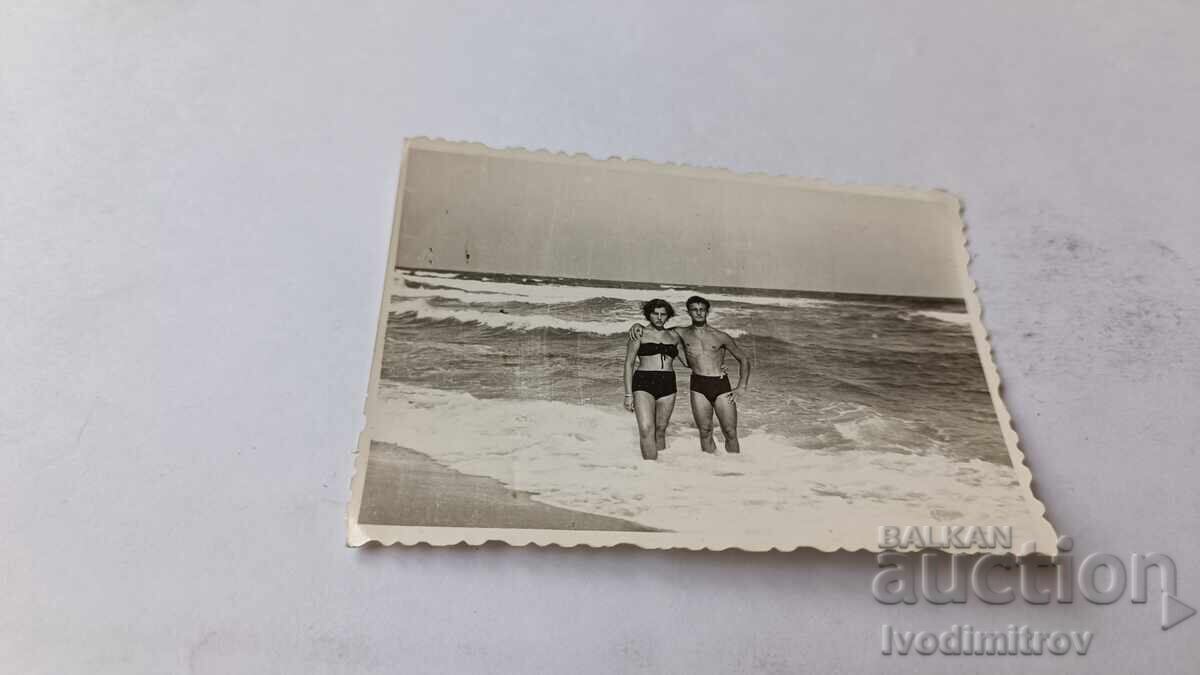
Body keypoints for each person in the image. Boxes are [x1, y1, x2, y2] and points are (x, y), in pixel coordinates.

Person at [629, 295, 751, 454]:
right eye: (694, 310)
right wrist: (637, 325)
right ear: (689, 312)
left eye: (702, 310)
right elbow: (658, 330)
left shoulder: (721, 336)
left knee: (730, 432)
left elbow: (744, 360)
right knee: (705, 431)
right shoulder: (681, 333)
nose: (699, 313)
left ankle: (735, 467)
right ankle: (711, 466)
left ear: (707, 312)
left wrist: (742, 386)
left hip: (721, 384)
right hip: (698, 385)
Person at [624, 299, 689, 460]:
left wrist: (715, 364)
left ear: (668, 316)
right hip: (643, 382)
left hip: (668, 383)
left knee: (660, 430)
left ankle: (661, 471)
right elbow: (628, 363)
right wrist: (628, 394)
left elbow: (689, 363)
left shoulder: (674, 336)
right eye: (655, 314)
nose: (659, 317)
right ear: (648, 315)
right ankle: (649, 469)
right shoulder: (639, 333)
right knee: (646, 429)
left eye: (663, 314)